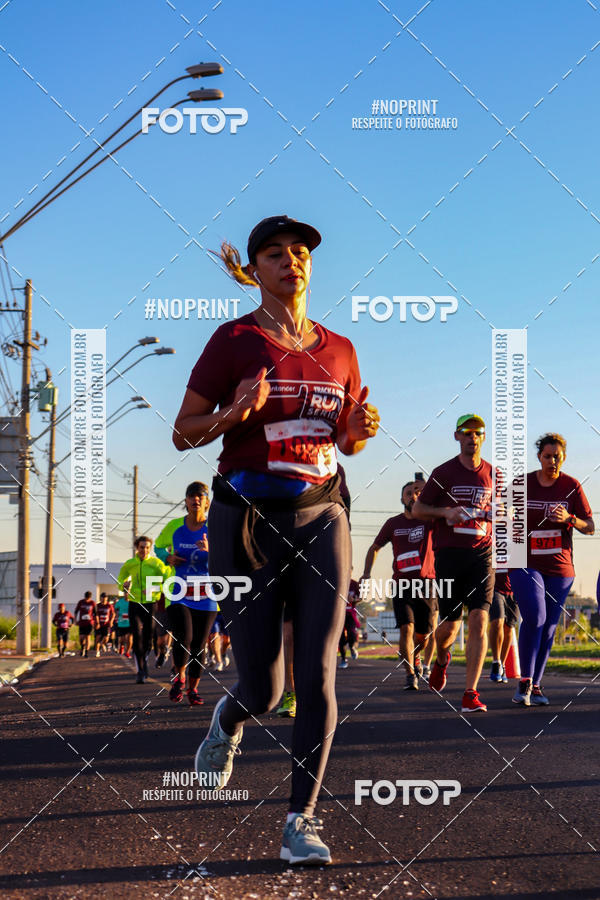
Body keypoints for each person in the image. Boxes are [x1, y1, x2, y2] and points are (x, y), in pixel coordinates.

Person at [173, 215, 379, 865]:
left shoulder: (341, 349)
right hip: (246, 522)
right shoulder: (232, 340)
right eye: (275, 253)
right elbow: (185, 431)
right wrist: (234, 412)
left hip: (323, 516)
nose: (291, 260)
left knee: (317, 674)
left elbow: (343, 440)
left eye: (300, 253)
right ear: (254, 270)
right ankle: (228, 722)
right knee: (264, 689)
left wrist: (358, 430)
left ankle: (302, 821)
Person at [414, 414, 498, 712]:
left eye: (477, 433)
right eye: (466, 433)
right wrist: (445, 513)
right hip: (449, 556)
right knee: (449, 627)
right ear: (457, 436)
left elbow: (506, 511)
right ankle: (441, 659)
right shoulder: (444, 472)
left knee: (479, 619)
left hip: (482, 556)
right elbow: (418, 508)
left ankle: (470, 693)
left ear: (483, 438)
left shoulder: (494, 475)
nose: (472, 438)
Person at [510, 433, 594, 706]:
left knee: (548, 629)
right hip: (525, 563)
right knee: (535, 617)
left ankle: (535, 684)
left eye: (557, 456)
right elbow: (500, 514)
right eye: (547, 456)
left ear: (564, 458)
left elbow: (590, 526)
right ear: (539, 457)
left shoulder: (571, 485)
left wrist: (570, 519)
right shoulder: (522, 483)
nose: (552, 461)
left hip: (560, 568)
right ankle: (524, 680)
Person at [361, 480, 436, 690]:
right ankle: (410, 674)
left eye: (417, 492)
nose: (413, 496)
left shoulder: (430, 521)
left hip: (427, 584)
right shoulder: (393, 523)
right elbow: (374, 547)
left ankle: (417, 656)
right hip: (401, 584)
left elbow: (445, 506)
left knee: (424, 636)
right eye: (408, 493)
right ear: (401, 499)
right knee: (406, 629)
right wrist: (366, 573)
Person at [155, 482, 217, 705]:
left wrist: (210, 552)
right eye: (191, 496)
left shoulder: (215, 527)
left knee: (200, 644)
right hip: (179, 592)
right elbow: (158, 547)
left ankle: (193, 689)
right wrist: (167, 558)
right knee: (184, 638)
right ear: (186, 502)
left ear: (207, 502)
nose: (196, 500)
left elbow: (229, 556)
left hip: (207, 594)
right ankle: (178, 680)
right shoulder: (173, 526)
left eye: (200, 496)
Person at [117, 536, 170, 683]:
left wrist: (153, 588)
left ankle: (145, 660)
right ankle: (140, 669)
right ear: (137, 548)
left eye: (147, 547)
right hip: (134, 603)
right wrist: (123, 585)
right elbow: (120, 579)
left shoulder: (156, 563)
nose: (144, 550)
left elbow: (168, 580)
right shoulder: (130, 564)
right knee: (137, 635)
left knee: (147, 637)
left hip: (151, 603)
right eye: (141, 547)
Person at [488, 571, 517, 683]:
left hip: (514, 589)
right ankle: (496, 663)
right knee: (497, 621)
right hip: (495, 587)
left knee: (509, 627)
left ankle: (502, 665)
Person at [338, 579, 361, 669]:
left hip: (350, 614)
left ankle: (352, 647)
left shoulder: (354, 584)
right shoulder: (337, 580)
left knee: (351, 633)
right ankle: (343, 659)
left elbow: (361, 597)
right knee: (342, 638)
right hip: (339, 614)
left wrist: (353, 599)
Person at [74, 591, 96, 657]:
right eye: (86, 598)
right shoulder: (81, 602)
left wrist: (96, 622)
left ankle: (86, 652)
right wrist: (75, 620)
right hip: (82, 623)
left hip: (89, 623)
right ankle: (82, 648)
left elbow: (96, 613)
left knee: (88, 638)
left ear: (90, 597)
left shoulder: (92, 603)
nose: (87, 599)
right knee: (81, 639)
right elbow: (76, 611)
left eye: (88, 598)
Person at [114, 593, 132, 657]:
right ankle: (122, 647)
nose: (127, 595)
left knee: (129, 638)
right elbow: (115, 609)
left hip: (130, 623)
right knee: (122, 639)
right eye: (125, 593)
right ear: (124, 594)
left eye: (128, 593)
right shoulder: (119, 602)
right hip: (121, 623)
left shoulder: (132, 601)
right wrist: (117, 614)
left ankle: (127, 652)